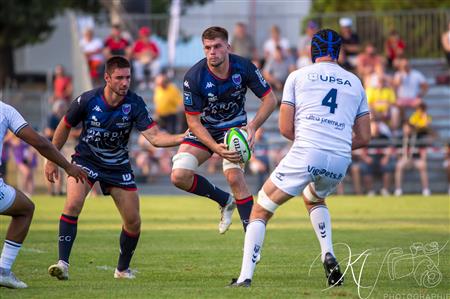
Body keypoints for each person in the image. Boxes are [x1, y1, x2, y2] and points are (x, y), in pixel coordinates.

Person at [229, 28, 371, 288]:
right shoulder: (355, 82)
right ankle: (327, 252)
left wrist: (313, 143)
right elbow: (364, 136)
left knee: (261, 208)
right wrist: (334, 142)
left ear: (311, 50)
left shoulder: (298, 76)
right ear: (338, 52)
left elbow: (285, 129)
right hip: (339, 158)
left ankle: (244, 277)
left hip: (308, 150)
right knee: (314, 197)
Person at [45, 56, 183, 281]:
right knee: (72, 204)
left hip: (117, 166)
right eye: (119, 78)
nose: (125, 82)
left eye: (128, 77)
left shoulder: (135, 103)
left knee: (133, 221)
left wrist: (184, 137)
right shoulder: (88, 100)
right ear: (107, 78)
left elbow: (155, 138)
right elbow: (64, 126)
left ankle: (122, 270)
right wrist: (52, 159)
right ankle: (63, 263)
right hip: (86, 160)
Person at [170, 26, 277, 236]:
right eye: (208, 47)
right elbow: (193, 122)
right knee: (179, 175)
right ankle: (224, 200)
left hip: (234, 129)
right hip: (206, 129)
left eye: (217, 46)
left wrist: (253, 126)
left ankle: (251, 242)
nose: (212, 52)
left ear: (228, 47)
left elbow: (270, 99)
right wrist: (215, 148)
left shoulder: (244, 66)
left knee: (235, 179)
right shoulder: (193, 77)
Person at [0, 101, 86, 289]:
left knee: (25, 207)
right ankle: (3, 270)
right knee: (25, 210)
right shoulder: (5, 111)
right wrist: (68, 166)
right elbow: (39, 142)